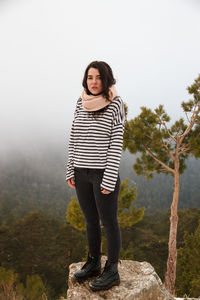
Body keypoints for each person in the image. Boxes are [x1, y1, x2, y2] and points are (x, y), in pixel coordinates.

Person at [66, 61, 125, 291]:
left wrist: (109, 178)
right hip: (81, 172)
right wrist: (70, 169)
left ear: (106, 79)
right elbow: (74, 135)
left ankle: (112, 270)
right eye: (90, 77)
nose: (94, 81)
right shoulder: (80, 102)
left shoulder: (115, 103)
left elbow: (116, 141)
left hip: (103, 174)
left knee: (109, 223)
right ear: (85, 80)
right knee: (90, 221)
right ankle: (93, 263)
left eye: (98, 77)